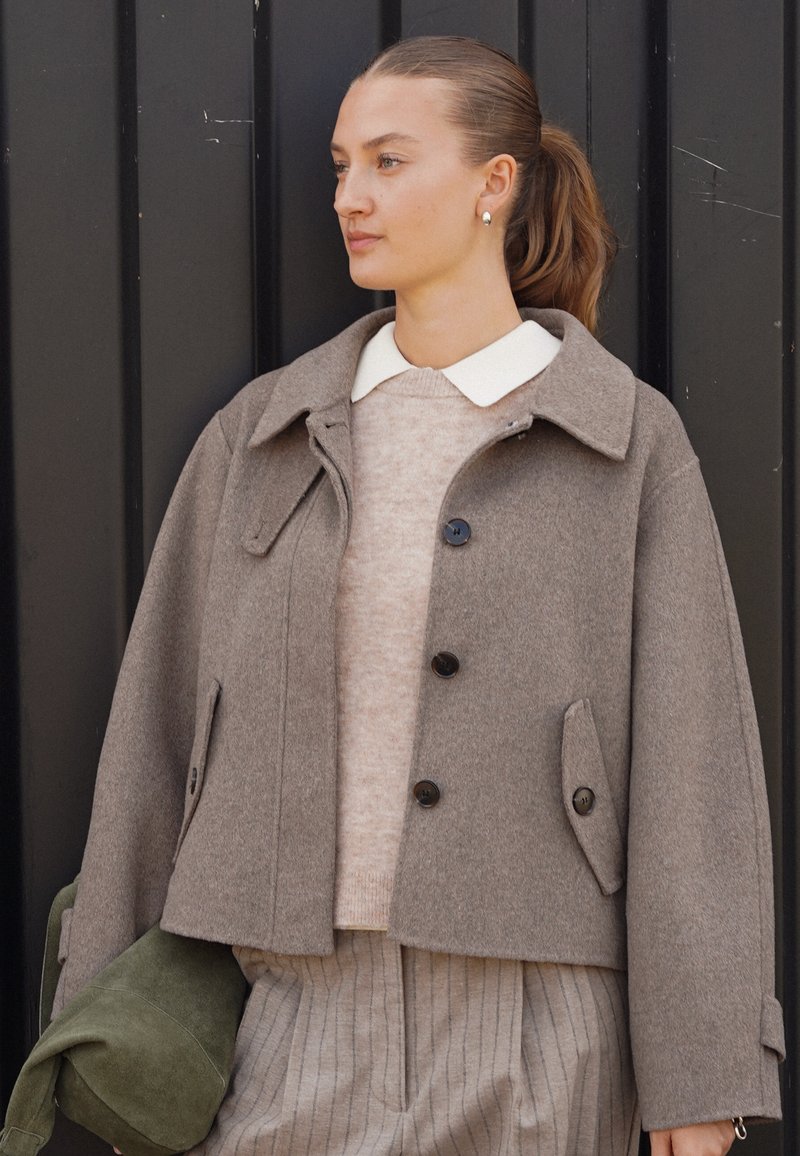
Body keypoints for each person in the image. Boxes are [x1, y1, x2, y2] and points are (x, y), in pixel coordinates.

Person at [52, 34, 783, 1156]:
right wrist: (96, 1025)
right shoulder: (260, 437)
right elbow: (153, 738)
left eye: (389, 162)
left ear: (496, 181)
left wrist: (703, 1075)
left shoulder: (625, 443)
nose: (350, 196)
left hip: (540, 1033)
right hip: (272, 1021)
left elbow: (695, 775)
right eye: (342, 166)